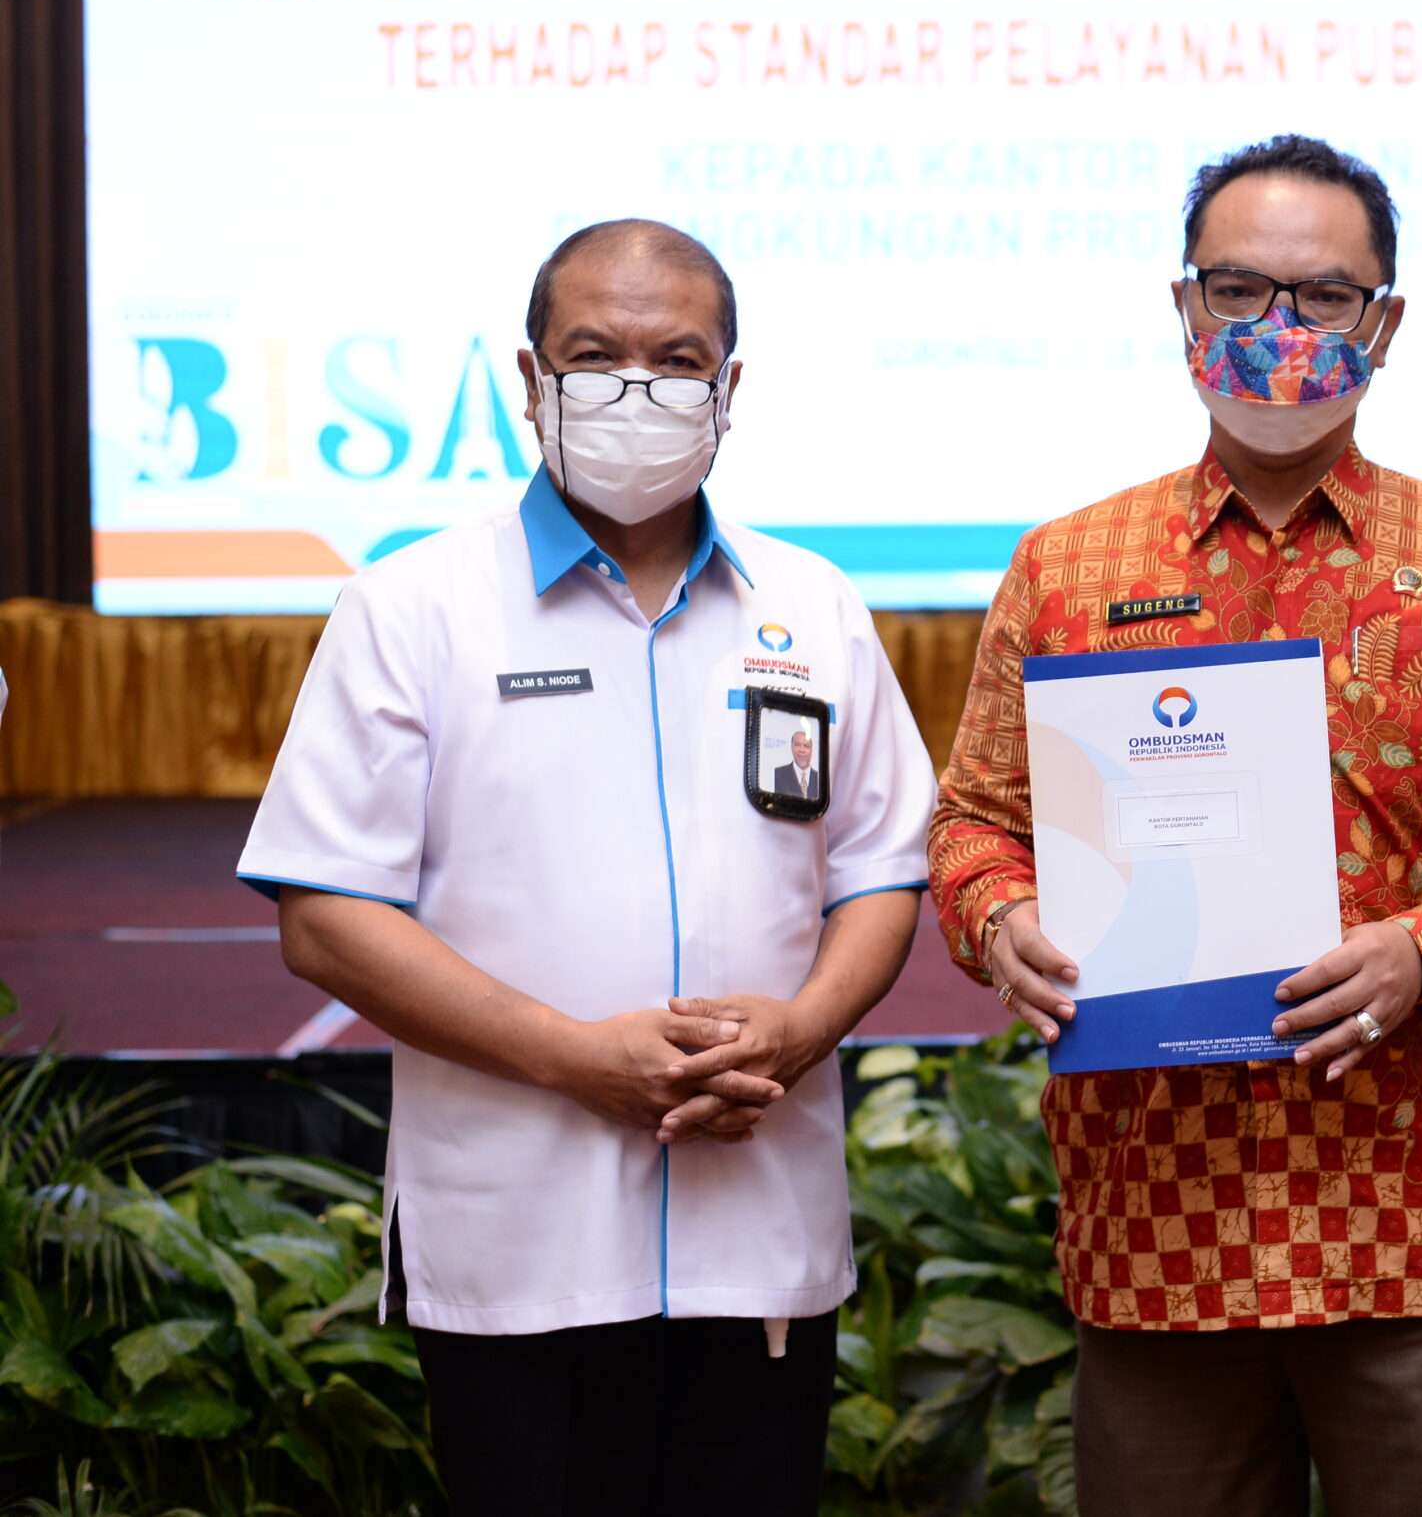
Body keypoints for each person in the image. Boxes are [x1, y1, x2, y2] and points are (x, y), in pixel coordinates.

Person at [927, 134, 1422, 1517]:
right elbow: (972, 825)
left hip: (1419, 1224)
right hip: (1162, 1225)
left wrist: (1420, 950)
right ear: (1186, 308)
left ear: (1387, 323)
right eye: (1241, 291)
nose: (1279, 330)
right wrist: (998, 918)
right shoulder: (1067, 567)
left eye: (1322, 298)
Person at [238, 219, 937, 1517]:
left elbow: (884, 874)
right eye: (593, 356)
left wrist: (800, 1025)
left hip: (758, 1243)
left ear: (729, 389)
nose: (637, 389)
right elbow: (328, 919)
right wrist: (574, 1055)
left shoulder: (816, 604)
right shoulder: (413, 605)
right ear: (527, 380)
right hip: (523, 1247)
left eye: (676, 360)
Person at [774, 724, 818, 798]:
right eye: (797, 745)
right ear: (791, 747)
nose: (801, 750)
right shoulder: (777, 774)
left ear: (811, 750)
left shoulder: (820, 779)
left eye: (806, 746)